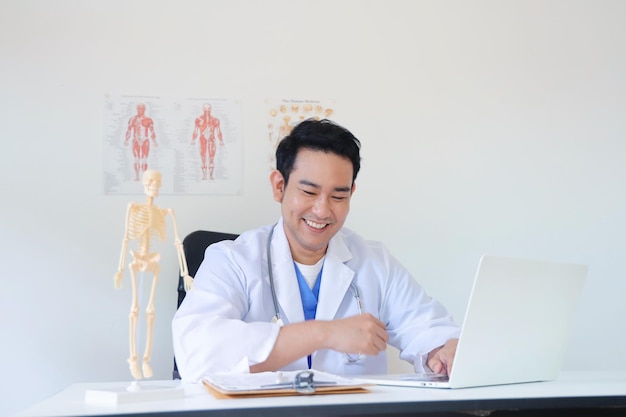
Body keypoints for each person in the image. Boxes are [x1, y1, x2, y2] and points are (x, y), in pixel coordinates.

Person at [172, 119, 460, 382]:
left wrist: (443, 350)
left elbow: (427, 327)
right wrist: (324, 333)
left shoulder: (374, 262)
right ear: (279, 186)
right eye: (309, 192)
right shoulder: (232, 260)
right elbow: (198, 352)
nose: (322, 210)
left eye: (338, 196)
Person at [114, 169, 193, 380]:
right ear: (143, 183)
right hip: (135, 259)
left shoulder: (166, 212)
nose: (154, 186)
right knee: (135, 309)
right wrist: (121, 268)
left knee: (150, 311)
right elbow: (125, 238)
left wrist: (185, 273)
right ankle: (133, 358)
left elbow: (178, 242)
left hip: (153, 261)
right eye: (150, 181)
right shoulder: (133, 208)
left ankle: (146, 359)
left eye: (157, 182)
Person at [124, 103, 158, 181]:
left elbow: (152, 131)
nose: (141, 110)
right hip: (135, 140)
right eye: (139, 108)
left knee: (144, 159)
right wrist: (126, 140)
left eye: (142, 109)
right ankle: (137, 176)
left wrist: (154, 141)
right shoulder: (132, 119)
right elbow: (129, 130)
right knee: (136, 159)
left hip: (145, 140)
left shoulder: (148, 120)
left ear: (145, 109)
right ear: (137, 109)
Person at [192, 103, 224, 180]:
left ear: (211, 109)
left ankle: (211, 175)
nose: (207, 111)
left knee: (211, 158)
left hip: (211, 140)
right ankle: (204, 175)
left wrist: (221, 140)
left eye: (208, 109)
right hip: (202, 140)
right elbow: (195, 131)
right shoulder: (198, 120)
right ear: (203, 109)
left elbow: (218, 131)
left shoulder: (215, 120)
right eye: (205, 109)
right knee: (203, 158)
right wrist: (193, 140)